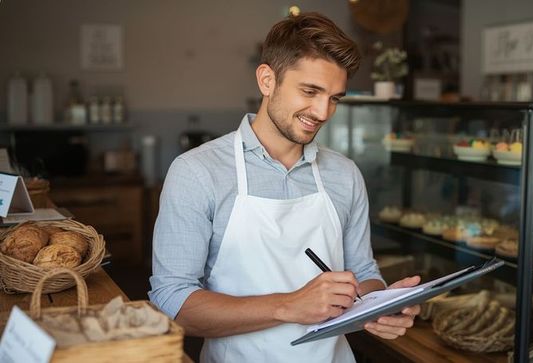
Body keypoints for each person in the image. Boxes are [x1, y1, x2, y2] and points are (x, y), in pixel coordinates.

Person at [149, 12, 420, 363]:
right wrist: (288, 306)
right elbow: (173, 303)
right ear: (267, 79)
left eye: (335, 98)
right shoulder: (198, 172)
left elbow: (365, 275)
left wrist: (380, 306)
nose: (323, 111)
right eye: (310, 91)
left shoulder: (345, 174)